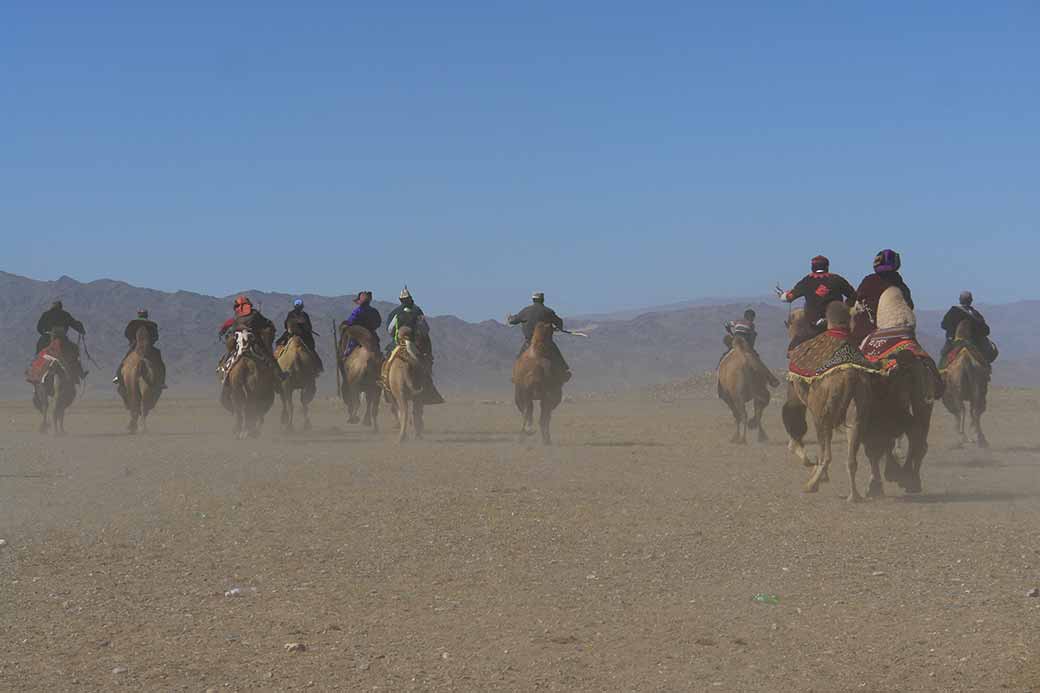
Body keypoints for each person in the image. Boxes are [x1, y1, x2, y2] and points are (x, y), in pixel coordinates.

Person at [777, 255, 857, 349]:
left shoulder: (806, 281)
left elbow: (789, 297)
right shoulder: (837, 279)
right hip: (836, 322)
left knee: (795, 347)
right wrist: (844, 307)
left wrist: (782, 295)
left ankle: (793, 355)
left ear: (812, 267)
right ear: (827, 266)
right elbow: (854, 295)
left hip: (813, 325)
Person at [851, 249, 914, 342]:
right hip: (903, 334)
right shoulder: (902, 286)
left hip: (866, 333)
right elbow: (910, 306)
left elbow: (852, 302)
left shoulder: (869, 281)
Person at [507, 291, 571, 381]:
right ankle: (564, 372)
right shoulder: (548, 311)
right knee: (557, 355)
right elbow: (559, 322)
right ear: (543, 300)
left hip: (529, 342)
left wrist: (510, 318)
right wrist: (558, 328)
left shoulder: (525, 311)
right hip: (546, 343)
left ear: (533, 300)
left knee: (519, 358)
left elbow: (513, 321)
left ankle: (515, 376)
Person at [218, 295, 282, 376]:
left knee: (229, 354)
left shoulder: (236, 316)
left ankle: (224, 376)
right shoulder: (255, 314)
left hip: (236, 338)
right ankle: (280, 374)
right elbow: (266, 323)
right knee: (267, 355)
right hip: (252, 338)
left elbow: (228, 324)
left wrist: (222, 331)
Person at [34, 300, 88, 381]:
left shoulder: (46, 314)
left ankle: (36, 374)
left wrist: (45, 334)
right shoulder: (65, 314)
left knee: (39, 353)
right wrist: (81, 330)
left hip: (46, 339)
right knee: (74, 350)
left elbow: (39, 328)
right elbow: (74, 324)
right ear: (60, 307)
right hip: (62, 340)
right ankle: (79, 373)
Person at [113, 309, 166, 388]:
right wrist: (151, 342)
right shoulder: (152, 325)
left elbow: (127, 333)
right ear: (146, 315)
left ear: (138, 315)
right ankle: (161, 381)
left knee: (124, 361)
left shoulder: (133, 324)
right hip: (149, 347)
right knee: (160, 362)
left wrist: (132, 341)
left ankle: (118, 377)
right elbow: (156, 337)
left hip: (135, 346)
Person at [940, 291, 997, 363]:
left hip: (953, 342)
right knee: (985, 359)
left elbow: (944, 325)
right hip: (973, 344)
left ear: (960, 300)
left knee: (943, 357)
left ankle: (939, 372)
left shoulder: (953, 311)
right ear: (971, 301)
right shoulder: (975, 314)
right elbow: (986, 330)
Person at [278, 298, 323, 371]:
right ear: (302, 306)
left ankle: (275, 365)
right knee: (311, 349)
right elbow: (309, 327)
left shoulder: (290, 314)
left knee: (279, 345)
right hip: (303, 336)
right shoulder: (304, 315)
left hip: (292, 335)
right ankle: (318, 367)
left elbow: (286, 325)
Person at [386, 286, 426, 352]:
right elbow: (424, 328)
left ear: (400, 300)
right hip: (415, 342)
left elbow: (390, 329)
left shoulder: (395, 312)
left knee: (387, 357)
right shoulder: (418, 311)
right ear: (410, 298)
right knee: (425, 355)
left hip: (398, 342)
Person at [343, 291, 382, 357]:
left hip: (358, 335)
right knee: (377, 348)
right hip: (371, 334)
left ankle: (346, 356)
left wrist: (347, 324)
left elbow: (350, 321)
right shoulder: (374, 311)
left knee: (350, 347)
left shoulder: (357, 311)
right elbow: (378, 322)